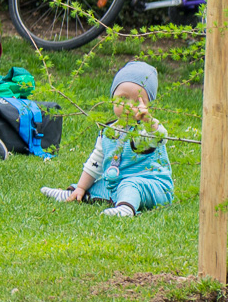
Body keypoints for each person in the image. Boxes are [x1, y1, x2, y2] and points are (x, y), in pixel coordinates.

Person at [41, 61, 173, 217]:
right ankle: (75, 193)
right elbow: (95, 162)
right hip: (118, 183)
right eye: (123, 98)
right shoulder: (108, 131)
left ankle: (126, 209)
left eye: (137, 100)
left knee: (131, 185)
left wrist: (148, 120)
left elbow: (160, 137)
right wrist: (82, 187)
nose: (128, 106)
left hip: (152, 186)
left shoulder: (145, 129)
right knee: (102, 184)